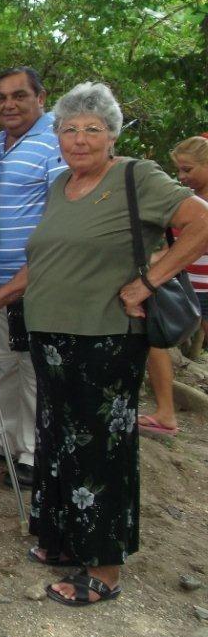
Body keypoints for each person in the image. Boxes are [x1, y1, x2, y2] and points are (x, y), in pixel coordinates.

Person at [0, 82, 208, 607]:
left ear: (112, 135)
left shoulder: (136, 177)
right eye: (70, 129)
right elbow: (43, 262)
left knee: (101, 450)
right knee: (57, 440)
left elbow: (201, 223)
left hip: (106, 338)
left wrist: (148, 282)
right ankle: (60, 539)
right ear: (57, 137)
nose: (79, 139)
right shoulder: (62, 186)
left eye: (92, 129)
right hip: (52, 337)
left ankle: (103, 568)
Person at [0, 68, 68, 487]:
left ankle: (32, 451)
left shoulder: (55, 143)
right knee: (2, 361)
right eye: (2, 97)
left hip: (33, 278)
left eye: (19, 96)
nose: (9, 104)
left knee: (30, 367)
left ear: (41, 97)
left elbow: (60, 210)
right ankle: (3, 438)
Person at [140, 135, 208, 437]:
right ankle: (165, 413)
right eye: (179, 170)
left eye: (188, 169)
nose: (181, 176)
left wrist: (155, 260)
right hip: (183, 285)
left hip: (202, 286)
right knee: (157, 342)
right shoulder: (181, 198)